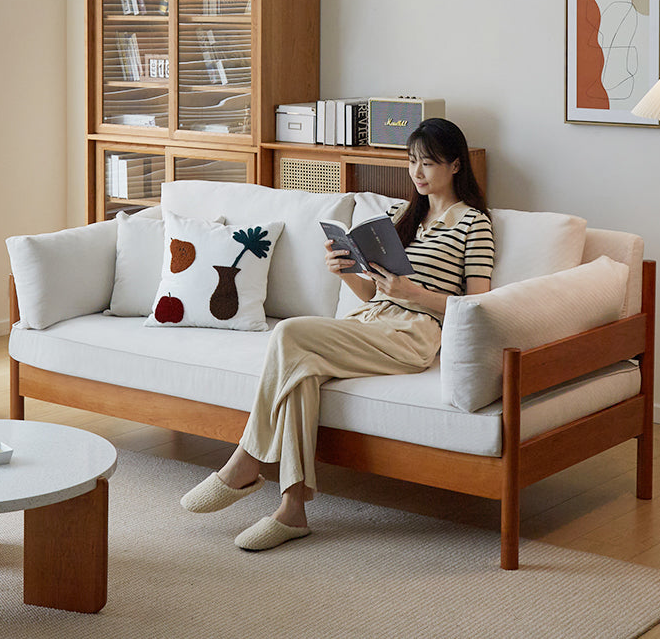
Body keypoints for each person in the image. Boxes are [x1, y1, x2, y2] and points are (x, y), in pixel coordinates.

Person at [180, 118, 494, 550]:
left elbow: (479, 307)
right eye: (411, 162)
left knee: (289, 334)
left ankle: (245, 462)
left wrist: (414, 294)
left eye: (428, 163)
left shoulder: (473, 224)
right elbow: (370, 292)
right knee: (302, 373)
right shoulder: (401, 216)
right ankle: (292, 510)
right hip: (370, 319)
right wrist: (345, 270)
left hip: (412, 334)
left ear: (456, 165)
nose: (417, 173)